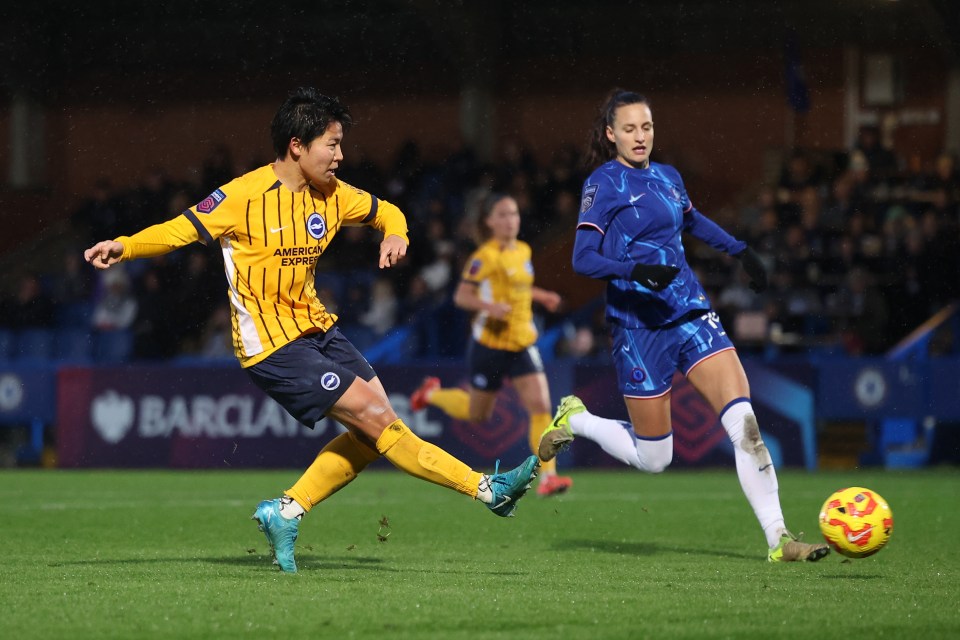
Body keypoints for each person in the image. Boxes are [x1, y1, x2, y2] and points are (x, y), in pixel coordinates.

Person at [84, 87, 540, 573]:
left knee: (372, 433)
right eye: (332, 143)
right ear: (297, 145)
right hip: (270, 343)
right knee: (379, 420)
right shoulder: (242, 196)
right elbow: (178, 229)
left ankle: (286, 511)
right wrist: (125, 246)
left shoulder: (333, 196)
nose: (341, 156)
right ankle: (486, 489)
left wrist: (396, 233)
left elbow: (387, 210)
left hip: (319, 329)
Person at [538, 89, 829, 563]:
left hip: (689, 311)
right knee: (656, 459)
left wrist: (740, 251)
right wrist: (633, 272)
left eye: (646, 127)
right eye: (629, 128)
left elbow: (692, 222)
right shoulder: (604, 183)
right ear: (611, 134)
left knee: (745, 423)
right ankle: (578, 419)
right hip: (638, 327)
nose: (640, 136)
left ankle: (779, 538)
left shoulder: (669, 177)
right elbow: (582, 258)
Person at [410, 194, 573, 496]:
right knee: (477, 413)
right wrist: (489, 307)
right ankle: (431, 394)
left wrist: (542, 296)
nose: (511, 220)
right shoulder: (483, 257)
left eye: (514, 214)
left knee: (540, 407)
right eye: (504, 214)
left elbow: (519, 287)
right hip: (490, 345)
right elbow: (461, 297)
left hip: (522, 343)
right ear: (490, 222)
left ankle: (548, 477)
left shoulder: (523, 250)